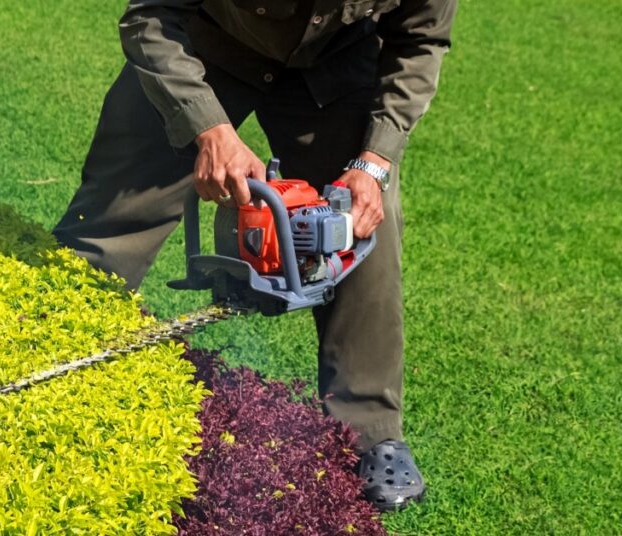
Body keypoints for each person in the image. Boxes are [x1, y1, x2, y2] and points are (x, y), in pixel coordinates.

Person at [53, 0, 456, 512]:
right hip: (203, 44)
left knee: (358, 222)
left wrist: (374, 162)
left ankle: (372, 431)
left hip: (334, 62)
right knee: (112, 216)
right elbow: (149, 16)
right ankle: (52, 347)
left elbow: (421, 41)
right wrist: (207, 127)